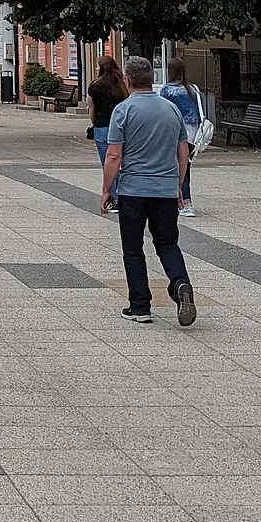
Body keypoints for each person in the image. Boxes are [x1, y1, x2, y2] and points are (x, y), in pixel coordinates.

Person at [99, 56, 196, 326]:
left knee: (133, 248)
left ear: (127, 80)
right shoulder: (171, 109)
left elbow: (114, 156)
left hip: (133, 189)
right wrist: (177, 185)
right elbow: (183, 152)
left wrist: (107, 189)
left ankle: (140, 305)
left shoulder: (124, 110)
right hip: (165, 190)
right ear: (152, 79)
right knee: (167, 243)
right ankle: (180, 283)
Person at [160, 61, 204, 216]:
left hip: (175, 132)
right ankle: (186, 200)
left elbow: (163, 112)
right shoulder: (192, 89)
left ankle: (178, 200)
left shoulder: (167, 90)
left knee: (174, 167)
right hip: (192, 132)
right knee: (186, 167)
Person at [87, 54, 125, 163]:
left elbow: (91, 108)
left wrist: (95, 124)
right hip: (119, 126)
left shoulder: (95, 86)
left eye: (97, 66)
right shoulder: (121, 85)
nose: (96, 69)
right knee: (121, 162)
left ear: (102, 68)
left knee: (107, 163)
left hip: (102, 127)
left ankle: (110, 180)